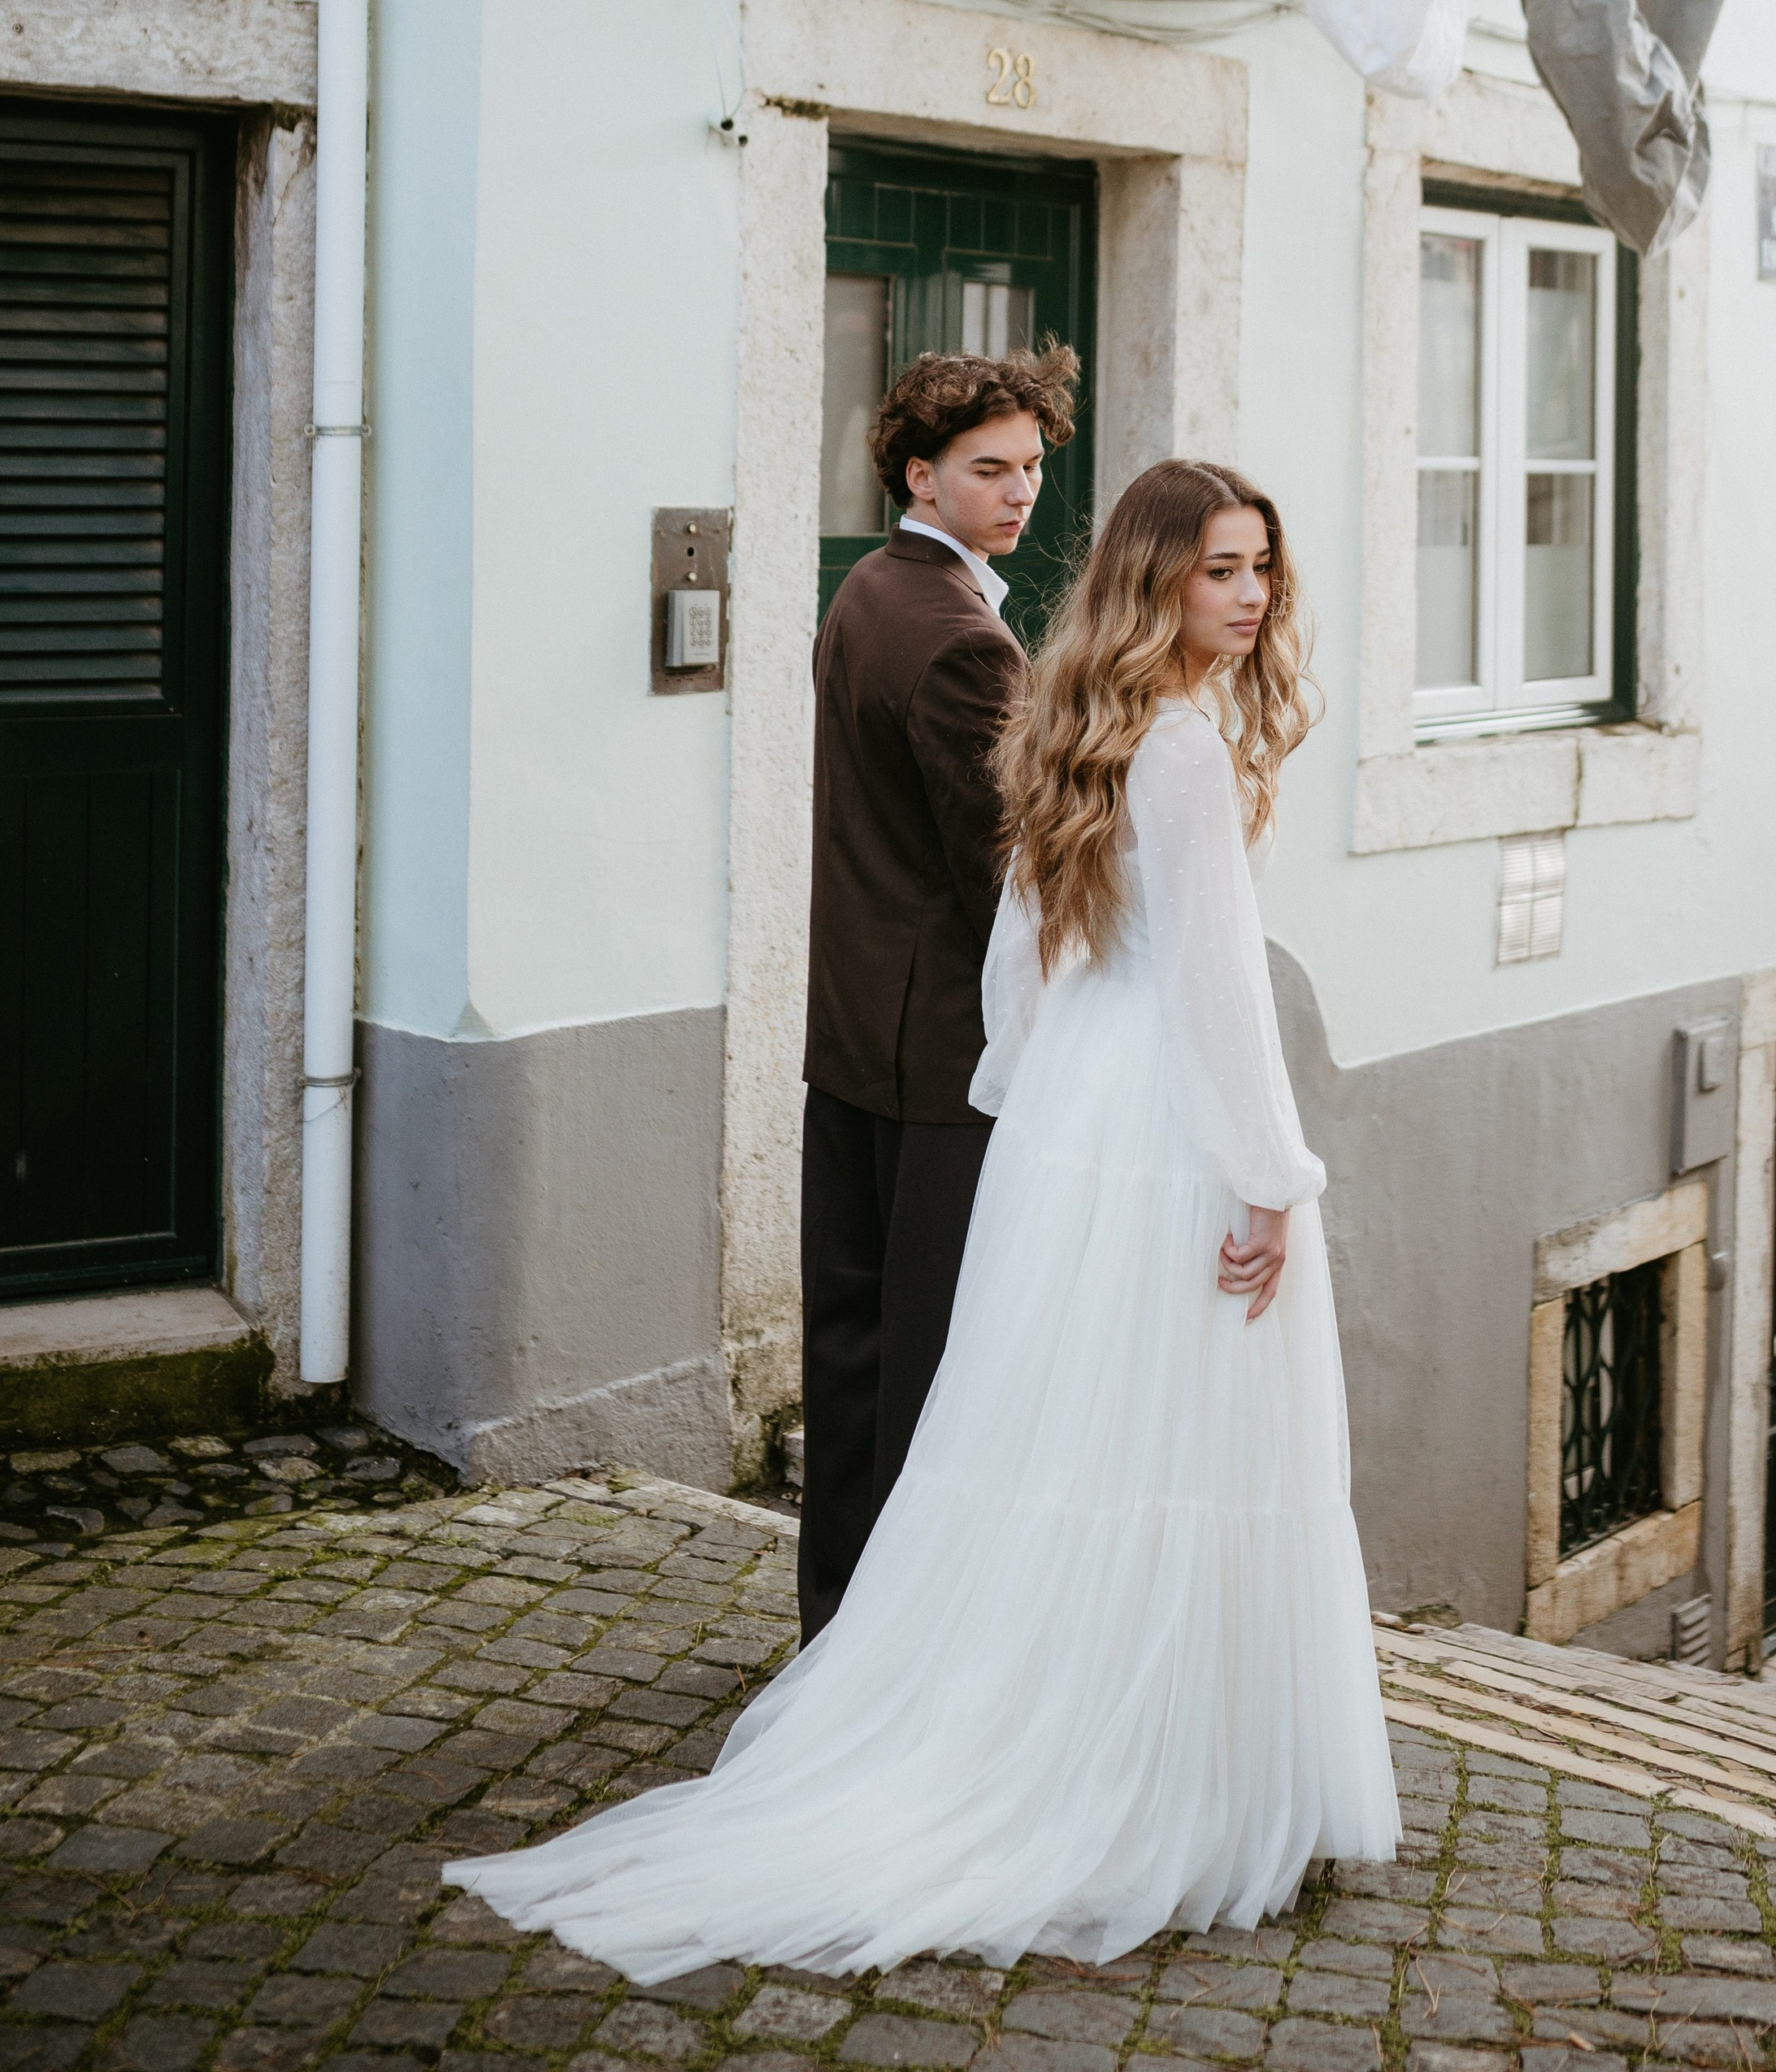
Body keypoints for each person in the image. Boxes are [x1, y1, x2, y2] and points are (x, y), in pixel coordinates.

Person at [445, 458, 1397, 1977]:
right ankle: (1146, 1772)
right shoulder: (1190, 758)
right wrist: (1277, 1180)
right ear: (1159, 578)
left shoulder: (1077, 723)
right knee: (1163, 1435)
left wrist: (1032, 1110)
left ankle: (1031, 1727)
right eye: (1223, 568)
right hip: (1163, 1121)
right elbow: (1222, 996)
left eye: (1263, 567)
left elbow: (1022, 960)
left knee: (1055, 1436)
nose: (1255, 594)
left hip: (1079, 1103)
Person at [797, 343, 1079, 1640]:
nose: (1019, 492)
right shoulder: (965, 643)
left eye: (1030, 467)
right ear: (921, 472)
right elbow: (1003, 883)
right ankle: (901, 1654)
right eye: (989, 469)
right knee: (929, 1368)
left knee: (852, 1352)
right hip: (938, 1060)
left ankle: (835, 1628)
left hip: (852, 1036)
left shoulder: (867, 590)